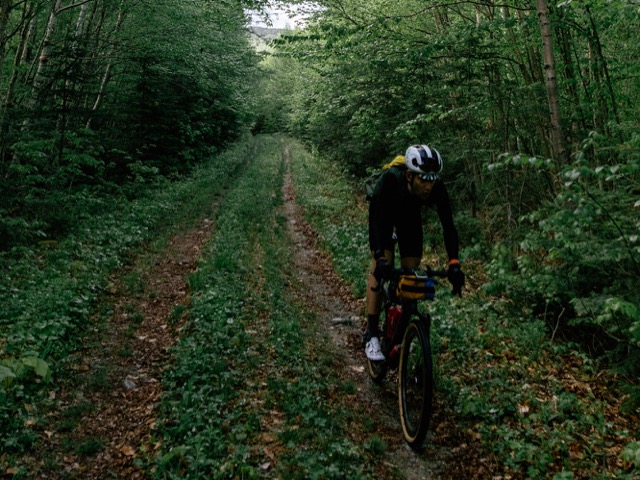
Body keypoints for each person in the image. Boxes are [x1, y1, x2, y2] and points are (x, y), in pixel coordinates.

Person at [365, 144, 465, 361]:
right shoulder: (390, 180)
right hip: (384, 215)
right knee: (380, 269)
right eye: (423, 179)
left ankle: (398, 323)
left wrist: (454, 263)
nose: (429, 185)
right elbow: (376, 221)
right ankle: (372, 335)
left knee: (411, 272)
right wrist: (381, 257)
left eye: (432, 179)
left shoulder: (436, 187)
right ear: (409, 175)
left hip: (409, 218)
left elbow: (449, 226)